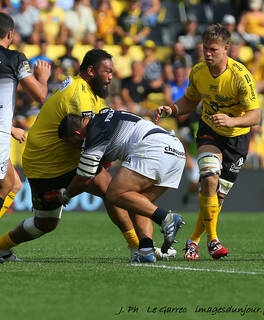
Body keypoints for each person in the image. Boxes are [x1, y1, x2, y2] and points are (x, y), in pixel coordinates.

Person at [0, 49, 158, 263]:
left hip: (57, 161)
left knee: (48, 222)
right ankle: (138, 247)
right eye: (107, 71)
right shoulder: (79, 96)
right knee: (108, 189)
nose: (111, 76)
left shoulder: (91, 94)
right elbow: (93, 142)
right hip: (48, 164)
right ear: (91, 71)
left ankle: (1, 248)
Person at [153, 24, 261, 260]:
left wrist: (232, 121)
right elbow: (190, 101)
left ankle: (194, 241)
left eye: (213, 49)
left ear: (226, 49)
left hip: (237, 138)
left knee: (218, 197)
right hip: (210, 132)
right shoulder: (199, 71)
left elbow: (256, 115)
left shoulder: (240, 76)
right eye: (205, 49)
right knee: (209, 178)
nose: (207, 53)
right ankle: (213, 240)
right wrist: (171, 109)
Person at [57, 110, 186, 263]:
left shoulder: (94, 131)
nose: (70, 147)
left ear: (77, 133)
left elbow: (85, 176)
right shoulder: (104, 115)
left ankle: (165, 218)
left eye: (68, 141)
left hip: (154, 147)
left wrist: (66, 194)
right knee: (138, 203)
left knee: (113, 194)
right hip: (176, 150)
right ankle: (146, 251)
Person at [0, 12, 50, 224]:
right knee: (4, 186)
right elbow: (39, 95)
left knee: (14, 184)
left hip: (4, 129)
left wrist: (10, 129)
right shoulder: (15, 58)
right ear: (10, 34)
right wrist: (43, 78)